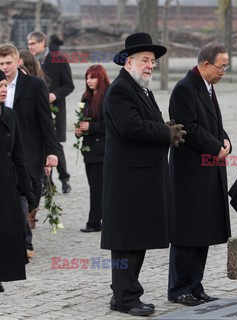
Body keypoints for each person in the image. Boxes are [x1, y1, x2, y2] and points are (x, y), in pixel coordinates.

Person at [101, 32, 186, 316]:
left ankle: (124, 294)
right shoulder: (121, 89)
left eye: (153, 61)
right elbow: (131, 127)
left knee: (136, 239)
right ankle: (126, 298)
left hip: (141, 178)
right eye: (145, 60)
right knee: (126, 242)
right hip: (127, 180)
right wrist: (165, 132)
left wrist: (166, 127)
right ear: (128, 61)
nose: (150, 65)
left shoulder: (142, 89)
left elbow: (146, 123)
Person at [168, 42, 232, 306]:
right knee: (187, 231)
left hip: (209, 169)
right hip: (190, 173)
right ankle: (179, 288)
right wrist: (216, 147)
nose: (224, 71)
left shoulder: (208, 88)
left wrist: (226, 141)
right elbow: (190, 128)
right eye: (221, 66)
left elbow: (215, 124)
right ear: (206, 64)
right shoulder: (184, 89)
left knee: (203, 229)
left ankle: (195, 284)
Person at [0, 44, 58, 258]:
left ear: (18, 61)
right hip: (5, 153)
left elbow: (45, 121)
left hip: (30, 151)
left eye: (8, 63)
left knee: (28, 196)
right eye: (1, 64)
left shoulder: (34, 85)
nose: (5, 67)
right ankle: (24, 243)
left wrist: (52, 152)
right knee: (15, 199)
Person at [0, 70, 36, 293]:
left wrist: (27, 188)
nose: (4, 89)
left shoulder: (10, 115)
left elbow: (19, 155)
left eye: (5, 85)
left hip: (6, 184)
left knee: (6, 232)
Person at [28, 31, 74, 193]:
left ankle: (64, 179)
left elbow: (69, 85)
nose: (30, 46)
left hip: (55, 109)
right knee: (41, 145)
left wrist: (54, 95)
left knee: (55, 146)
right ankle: (47, 182)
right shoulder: (29, 62)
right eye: (28, 44)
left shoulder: (58, 59)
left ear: (42, 43)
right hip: (36, 111)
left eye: (33, 43)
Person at [75, 65, 110, 233]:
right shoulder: (86, 98)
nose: (89, 81)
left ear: (101, 78)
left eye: (93, 77)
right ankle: (101, 219)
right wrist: (79, 130)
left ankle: (94, 221)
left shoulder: (107, 97)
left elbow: (109, 125)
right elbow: (81, 120)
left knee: (98, 187)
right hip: (89, 150)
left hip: (102, 150)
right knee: (94, 186)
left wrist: (91, 126)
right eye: (87, 77)